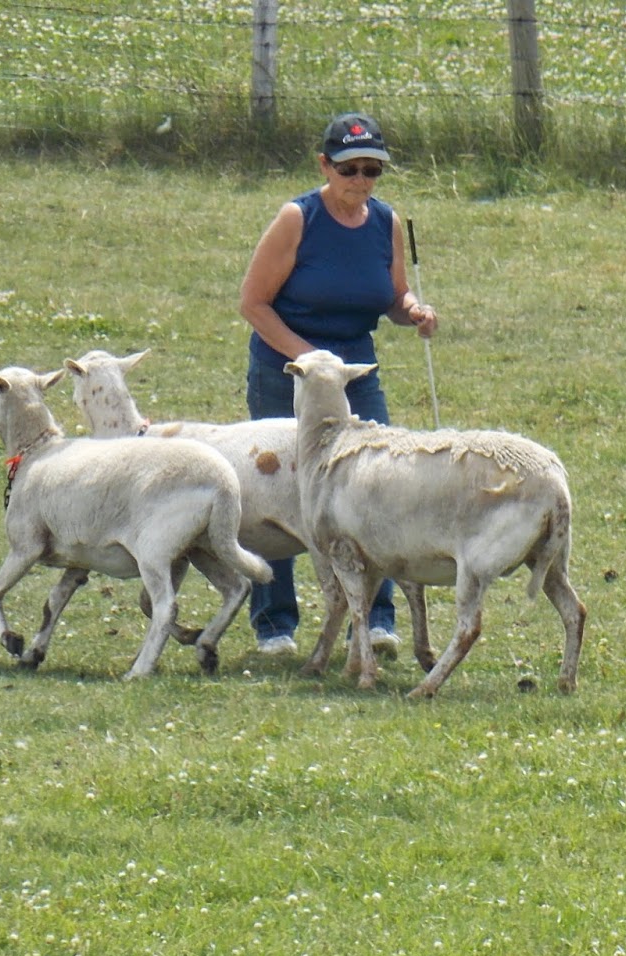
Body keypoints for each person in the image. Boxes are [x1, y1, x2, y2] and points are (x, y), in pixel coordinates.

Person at [238, 111, 438, 657]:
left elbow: (392, 295)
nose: (361, 180)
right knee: (281, 487)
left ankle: (376, 618)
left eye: (372, 170)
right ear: (325, 166)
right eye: (349, 169)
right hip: (290, 372)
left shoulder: (385, 222)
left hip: (356, 374)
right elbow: (253, 303)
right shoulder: (296, 219)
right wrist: (311, 361)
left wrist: (413, 310)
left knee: (375, 485)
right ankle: (275, 623)